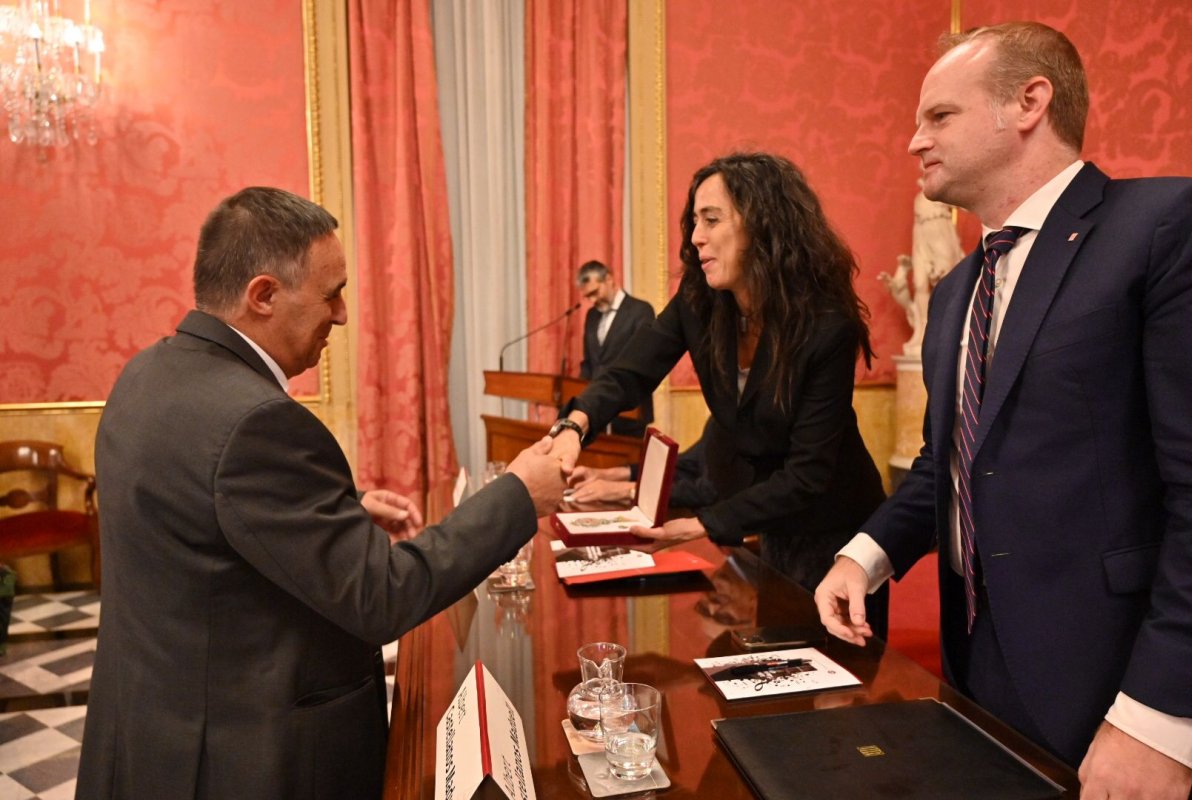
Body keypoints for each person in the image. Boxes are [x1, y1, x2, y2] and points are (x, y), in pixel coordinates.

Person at [814, 22, 1192, 800]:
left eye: (939, 117)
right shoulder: (959, 289)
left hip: (1115, 681)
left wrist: (1161, 715)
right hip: (975, 665)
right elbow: (948, 462)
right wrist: (865, 555)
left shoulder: (1162, 227)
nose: (913, 142)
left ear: (1029, 102)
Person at [75, 187, 564, 800]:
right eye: (331, 294)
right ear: (263, 295)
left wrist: (337, 514)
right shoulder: (256, 422)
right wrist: (519, 493)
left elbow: (193, 512)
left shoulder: (147, 373)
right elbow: (382, 595)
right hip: (243, 757)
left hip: (151, 733)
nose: (341, 314)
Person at [551, 153, 888, 634]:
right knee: (779, 662)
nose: (695, 237)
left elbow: (808, 475)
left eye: (711, 220)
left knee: (844, 690)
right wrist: (574, 425)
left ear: (763, 226)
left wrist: (700, 525)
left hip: (837, 530)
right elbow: (630, 371)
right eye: (693, 222)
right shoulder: (700, 299)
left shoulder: (824, 325)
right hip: (771, 524)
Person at [576, 260, 655, 437]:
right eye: (588, 296)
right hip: (596, 412)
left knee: (628, 465)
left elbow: (643, 360)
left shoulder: (640, 310)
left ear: (609, 279)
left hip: (629, 411)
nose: (592, 300)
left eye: (595, 292)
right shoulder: (592, 315)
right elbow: (590, 362)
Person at [566, 417, 718, 509]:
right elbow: (686, 466)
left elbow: (708, 491)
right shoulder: (720, 416)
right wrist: (609, 474)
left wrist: (628, 490)